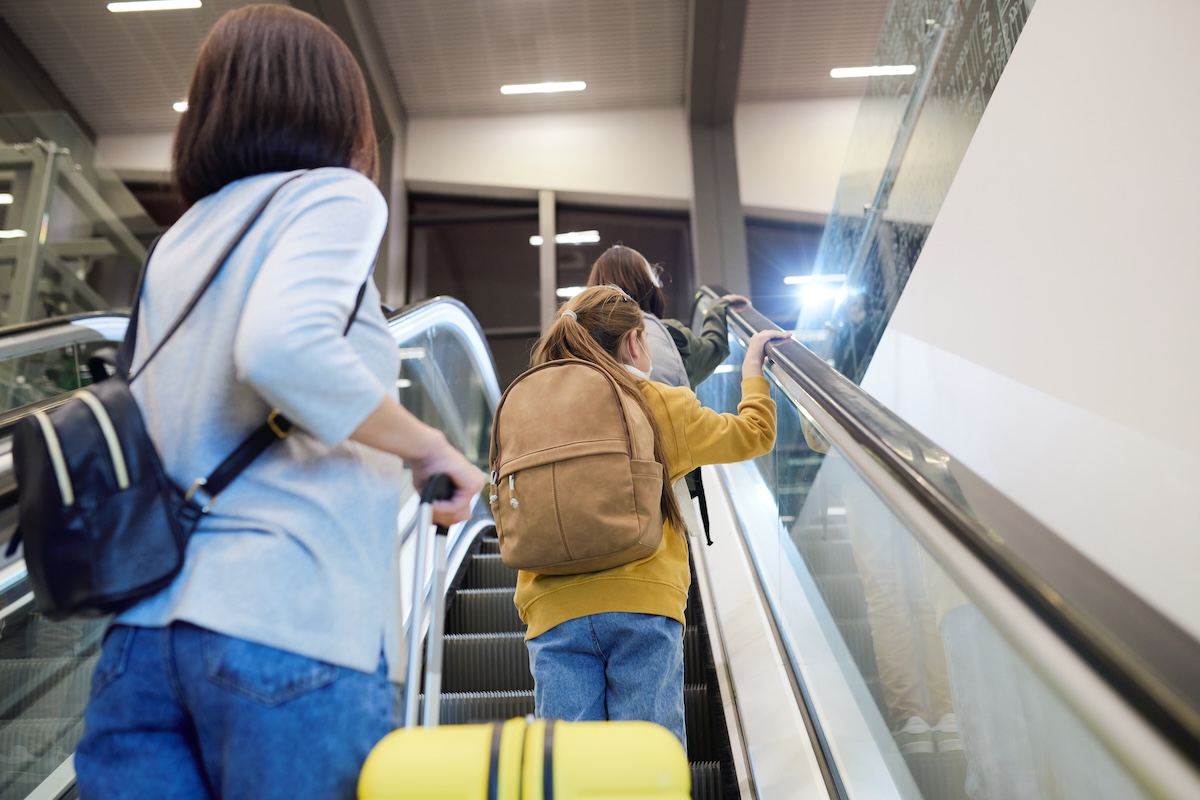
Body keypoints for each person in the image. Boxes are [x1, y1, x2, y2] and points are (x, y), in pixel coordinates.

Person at [73, 7, 484, 799]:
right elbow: (281, 348)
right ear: (339, 110)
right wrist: (428, 449)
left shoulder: (179, 240)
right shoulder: (333, 196)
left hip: (140, 643)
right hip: (287, 625)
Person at [515, 285, 788, 747]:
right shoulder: (657, 401)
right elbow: (755, 435)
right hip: (642, 604)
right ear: (634, 342)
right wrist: (752, 369)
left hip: (552, 608)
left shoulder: (526, 409)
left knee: (565, 769)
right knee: (646, 766)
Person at [586, 244, 749, 389]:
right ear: (647, 285)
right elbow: (714, 348)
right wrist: (718, 306)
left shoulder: (583, 342)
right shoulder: (669, 336)